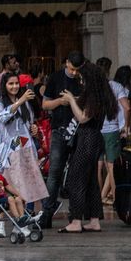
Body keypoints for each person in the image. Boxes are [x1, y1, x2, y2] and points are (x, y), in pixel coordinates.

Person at [56, 60, 118, 233]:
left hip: (87, 138)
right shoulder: (99, 94)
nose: (80, 80)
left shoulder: (93, 96)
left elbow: (83, 117)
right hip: (95, 139)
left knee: (76, 179)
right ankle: (94, 219)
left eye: (82, 77)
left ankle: (75, 220)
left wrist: (70, 100)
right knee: (91, 181)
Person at [0, 73, 48, 208]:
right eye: (11, 84)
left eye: (16, 83)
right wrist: (19, 101)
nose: (14, 86)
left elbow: (29, 123)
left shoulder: (25, 103)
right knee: (15, 180)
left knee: (29, 178)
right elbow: (3, 117)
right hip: (8, 146)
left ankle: (31, 211)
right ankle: (16, 214)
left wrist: (34, 129)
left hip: (25, 144)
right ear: (4, 85)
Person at [38, 52, 84, 227]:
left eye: (77, 70)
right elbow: (45, 104)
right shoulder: (56, 78)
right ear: (66, 63)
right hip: (59, 129)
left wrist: (74, 101)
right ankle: (46, 212)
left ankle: (76, 215)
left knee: (76, 173)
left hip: (79, 130)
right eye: (71, 69)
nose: (73, 73)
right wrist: (60, 101)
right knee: (54, 172)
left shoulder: (84, 79)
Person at [96, 57, 130, 208]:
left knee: (98, 166)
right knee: (112, 166)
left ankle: (96, 199)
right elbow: (127, 107)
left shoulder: (94, 87)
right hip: (112, 129)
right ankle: (117, 199)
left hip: (96, 129)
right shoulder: (116, 86)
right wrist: (126, 125)